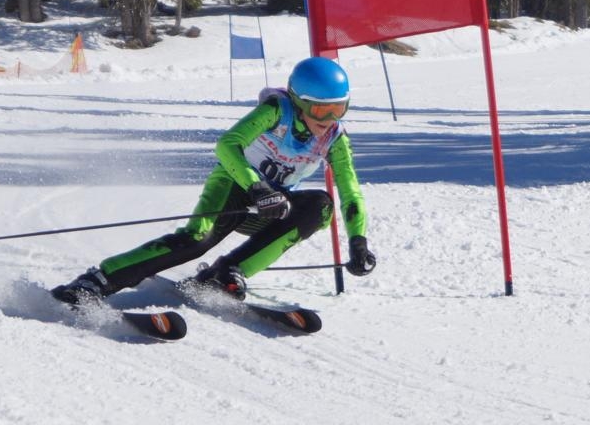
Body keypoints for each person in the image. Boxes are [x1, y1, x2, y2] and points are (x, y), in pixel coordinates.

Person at [52, 56, 375, 305]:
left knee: (320, 206)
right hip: (234, 189)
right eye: (320, 111)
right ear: (299, 102)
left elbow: (351, 193)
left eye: (339, 109)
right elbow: (227, 144)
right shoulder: (277, 111)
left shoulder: (334, 138)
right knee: (196, 240)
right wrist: (257, 187)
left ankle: (227, 273)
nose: (329, 119)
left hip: (271, 207)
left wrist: (358, 242)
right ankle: (98, 280)